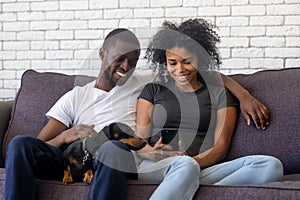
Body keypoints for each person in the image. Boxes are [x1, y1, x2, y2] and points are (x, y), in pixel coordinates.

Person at [4, 26, 275, 200]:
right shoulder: (75, 96)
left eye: (133, 61)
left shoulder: (143, 84)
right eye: (120, 58)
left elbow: (197, 72)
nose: (126, 66)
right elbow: (40, 146)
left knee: (114, 147)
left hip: (117, 157)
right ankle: (184, 174)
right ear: (102, 54)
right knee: (20, 143)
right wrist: (65, 136)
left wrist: (244, 94)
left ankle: (184, 174)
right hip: (75, 160)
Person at [135, 18, 283, 200]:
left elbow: (221, 148)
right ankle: (187, 179)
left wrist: (191, 161)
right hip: (155, 167)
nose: (180, 69)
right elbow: (138, 143)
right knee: (185, 166)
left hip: (199, 167)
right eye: (172, 63)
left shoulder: (219, 94)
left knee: (270, 165)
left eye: (187, 61)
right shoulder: (153, 90)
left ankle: (190, 187)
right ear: (165, 62)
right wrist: (153, 152)